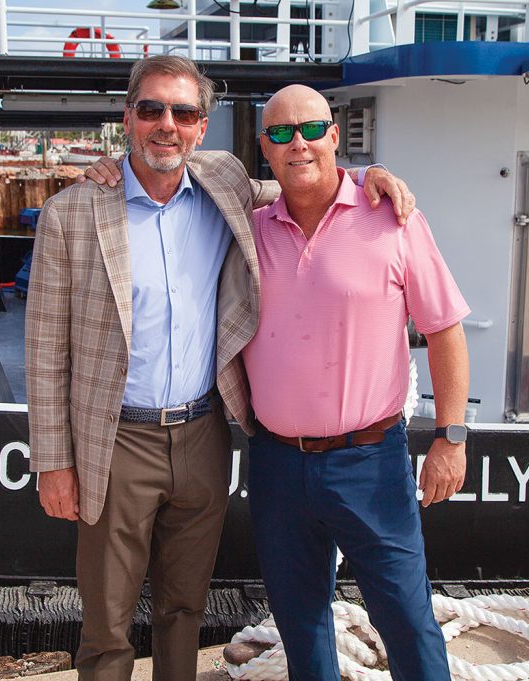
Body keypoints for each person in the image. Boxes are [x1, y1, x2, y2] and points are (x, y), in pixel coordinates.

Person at [26, 55, 414, 681]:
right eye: (151, 109)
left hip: (204, 434)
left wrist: (367, 175)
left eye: (182, 113)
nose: (165, 125)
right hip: (117, 439)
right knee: (106, 621)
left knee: (185, 606)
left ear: (202, 127)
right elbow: (45, 349)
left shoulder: (222, 184)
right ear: (128, 118)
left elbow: (298, 181)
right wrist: (53, 462)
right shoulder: (72, 212)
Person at [240, 84, 470, 680]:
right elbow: (189, 177)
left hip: (370, 461)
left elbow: (444, 329)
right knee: (300, 620)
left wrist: (451, 437)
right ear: (265, 146)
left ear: (335, 136)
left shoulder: (392, 219)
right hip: (275, 462)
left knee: (405, 615)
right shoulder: (249, 230)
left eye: (313, 129)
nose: (300, 143)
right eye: (283, 133)